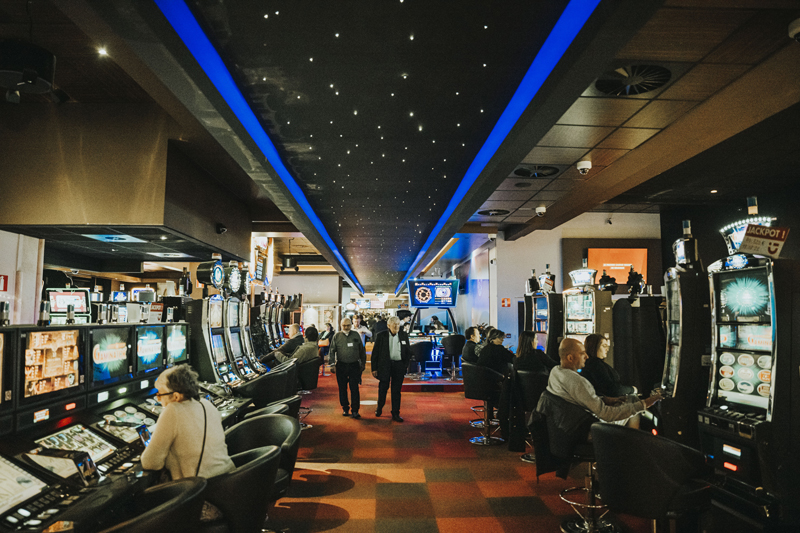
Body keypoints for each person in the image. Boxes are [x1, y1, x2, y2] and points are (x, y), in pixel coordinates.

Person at [142, 365, 234, 480]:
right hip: (230, 478)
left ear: (176, 396)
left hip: (202, 489)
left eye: (160, 394)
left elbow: (150, 462)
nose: (158, 399)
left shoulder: (173, 410)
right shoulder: (207, 404)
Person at [547, 338, 660, 424]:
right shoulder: (577, 382)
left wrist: (604, 399)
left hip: (568, 425)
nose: (586, 356)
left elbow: (579, 400)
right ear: (570, 358)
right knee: (634, 405)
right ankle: (624, 446)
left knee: (629, 402)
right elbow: (606, 414)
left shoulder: (556, 371)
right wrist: (646, 403)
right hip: (589, 429)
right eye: (582, 353)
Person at [371, 316, 411, 422]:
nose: (396, 327)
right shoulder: (381, 336)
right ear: (388, 326)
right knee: (383, 389)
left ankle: (395, 413)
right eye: (394, 325)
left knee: (396, 391)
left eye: (398, 324)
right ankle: (379, 407)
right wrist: (374, 368)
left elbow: (408, 351)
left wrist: (405, 365)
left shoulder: (403, 335)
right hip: (385, 366)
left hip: (399, 366)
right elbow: (375, 353)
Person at [329, 317, 366, 418]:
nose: (346, 327)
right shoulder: (337, 336)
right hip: (341, 365)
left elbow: (362, 350)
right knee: (342, 388)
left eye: (348, 325)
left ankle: (355, 410)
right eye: (344, 325)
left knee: (354, 388)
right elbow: (332, 351)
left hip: (354, 365)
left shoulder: (355, 335)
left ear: (351, 325)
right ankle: (345, 408)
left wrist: (363, 363)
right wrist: (332, 364)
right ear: (341, 325)